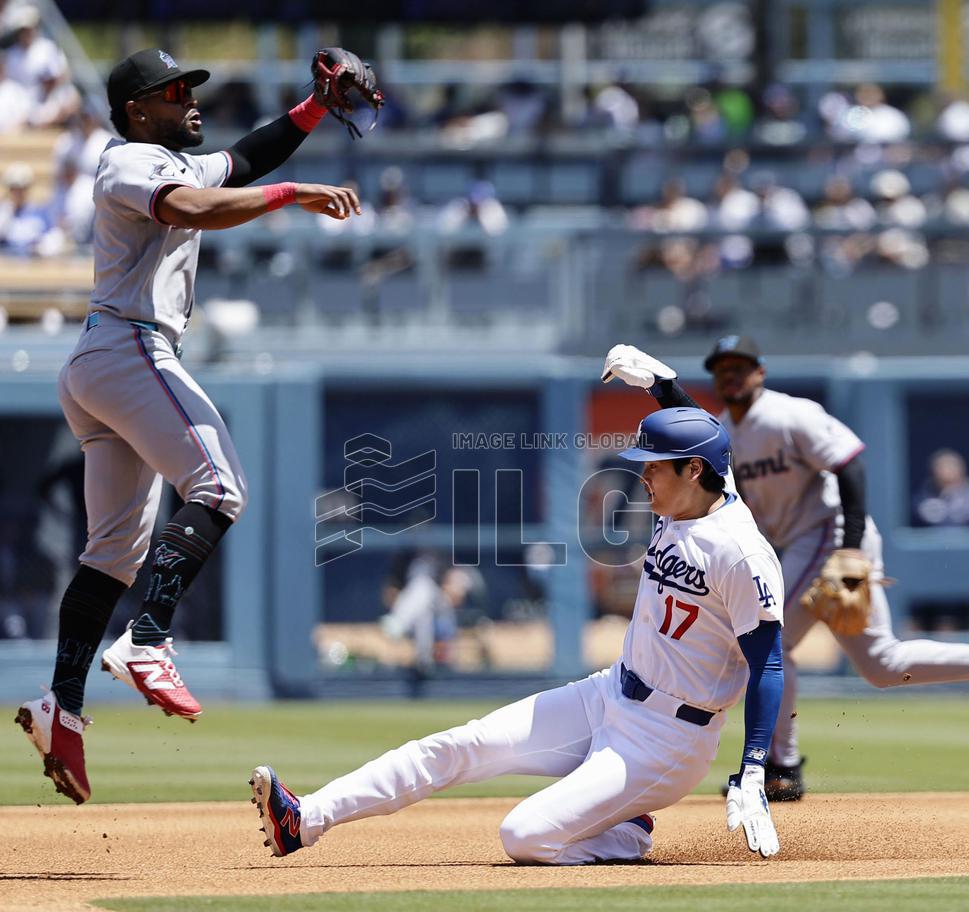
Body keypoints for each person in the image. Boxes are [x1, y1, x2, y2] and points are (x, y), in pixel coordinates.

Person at [14, 47, 364, 805]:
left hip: (106, 361)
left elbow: (241, 159)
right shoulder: (129, 160)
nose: (189, 99)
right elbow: (194, 208)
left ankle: (59, 706)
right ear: (138, 108)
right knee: (221, 486)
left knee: (111, 555)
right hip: (128, 344)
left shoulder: (173, 154)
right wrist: (294, 194)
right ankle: (147, 641)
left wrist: (312, 108)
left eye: (190, 87)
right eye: (173, 91)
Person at [250, 405, 785, 865]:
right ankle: (304, 819)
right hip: (609, 693)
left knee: (524, 836)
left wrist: (754, 766)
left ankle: (625, 831)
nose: (643, 478)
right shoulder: (691, 493)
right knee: (461, 745)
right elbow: (703, 439)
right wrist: (664, 387)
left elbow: (768, 664)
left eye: (655, 467)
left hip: (669, 739)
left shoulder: (740, 553)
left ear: (694, 471)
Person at [611, 337, 969, 801]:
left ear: (761, 372)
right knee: (883, 665)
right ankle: (782, 764)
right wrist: (663, 388)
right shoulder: (724, 429)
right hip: (803, 544)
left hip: (830, 535)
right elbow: (696, 428)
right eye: (723, 370)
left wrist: (853, 549)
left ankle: (781, 767)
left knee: (765, 643)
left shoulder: (789, 414)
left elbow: (850, 466)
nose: (731, 376)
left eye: (741, 367)